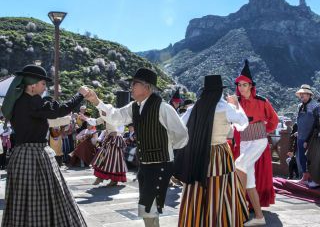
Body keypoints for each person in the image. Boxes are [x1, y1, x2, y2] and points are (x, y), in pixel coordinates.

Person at [85, 67, 188, 227]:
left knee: (148, 207)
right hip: (145, 166)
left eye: (135, 84)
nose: (131, 87)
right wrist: (97, 102)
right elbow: (115, 117)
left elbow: (182, 135)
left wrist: (165, 146)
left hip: (160, 165)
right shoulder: (134, 106)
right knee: (148, 208)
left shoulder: (163, 108)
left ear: (147, 87)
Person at [0, 64, 88, 226]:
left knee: (21, 200)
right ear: (32, 85)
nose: (44, 87)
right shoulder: (34, 102)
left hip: (19, 156)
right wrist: (80, 95)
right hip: (36, 156)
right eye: (42, 83)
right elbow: (61, 110)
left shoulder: (18, 102)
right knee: (45, 196)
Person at [175, 75, 249, 226]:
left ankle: (196, 219)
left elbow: (180, 125)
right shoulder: (226, 108)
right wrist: (236, 105)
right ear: (219, 91)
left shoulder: (195, 107)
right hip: (219, 153)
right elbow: (243, 123)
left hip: (198, 152)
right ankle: (218, 220)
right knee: (220, 185)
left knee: (196, 185)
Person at [234, 60, 278, 226]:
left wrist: (262, 131)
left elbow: (274, 120)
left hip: (259, 141)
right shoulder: (236, 103)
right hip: (245, 142)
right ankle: (259, 217)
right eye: (239, 84)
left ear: (251, 85)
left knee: (238, 165)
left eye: (245, 84)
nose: (241, 88)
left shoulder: (262, 101)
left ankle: (238, 207)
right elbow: (234, 123)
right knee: (249, 180)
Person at [91, 117, 128, 186]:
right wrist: (86, 118)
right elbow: (95, 121)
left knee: (114, 160)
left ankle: (114, 180)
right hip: (109, 139)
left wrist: (115, 132)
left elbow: (121, 129)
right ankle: (100, 177)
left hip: (116, 141)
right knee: (102, 157)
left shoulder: (118, 116)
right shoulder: (105, 116)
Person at [295, 84, 320, 184]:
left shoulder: (315, 106)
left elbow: (317, 122)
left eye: (304, 94)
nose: (302, 96)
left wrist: (312, 136)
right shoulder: (300, 106)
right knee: (301, 157)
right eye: (301, 94)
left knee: (311, 157)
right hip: (300, 136)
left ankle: (312, 178)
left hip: (311, 137)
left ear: (309, 95)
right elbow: (299, 121)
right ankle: (304, 176)